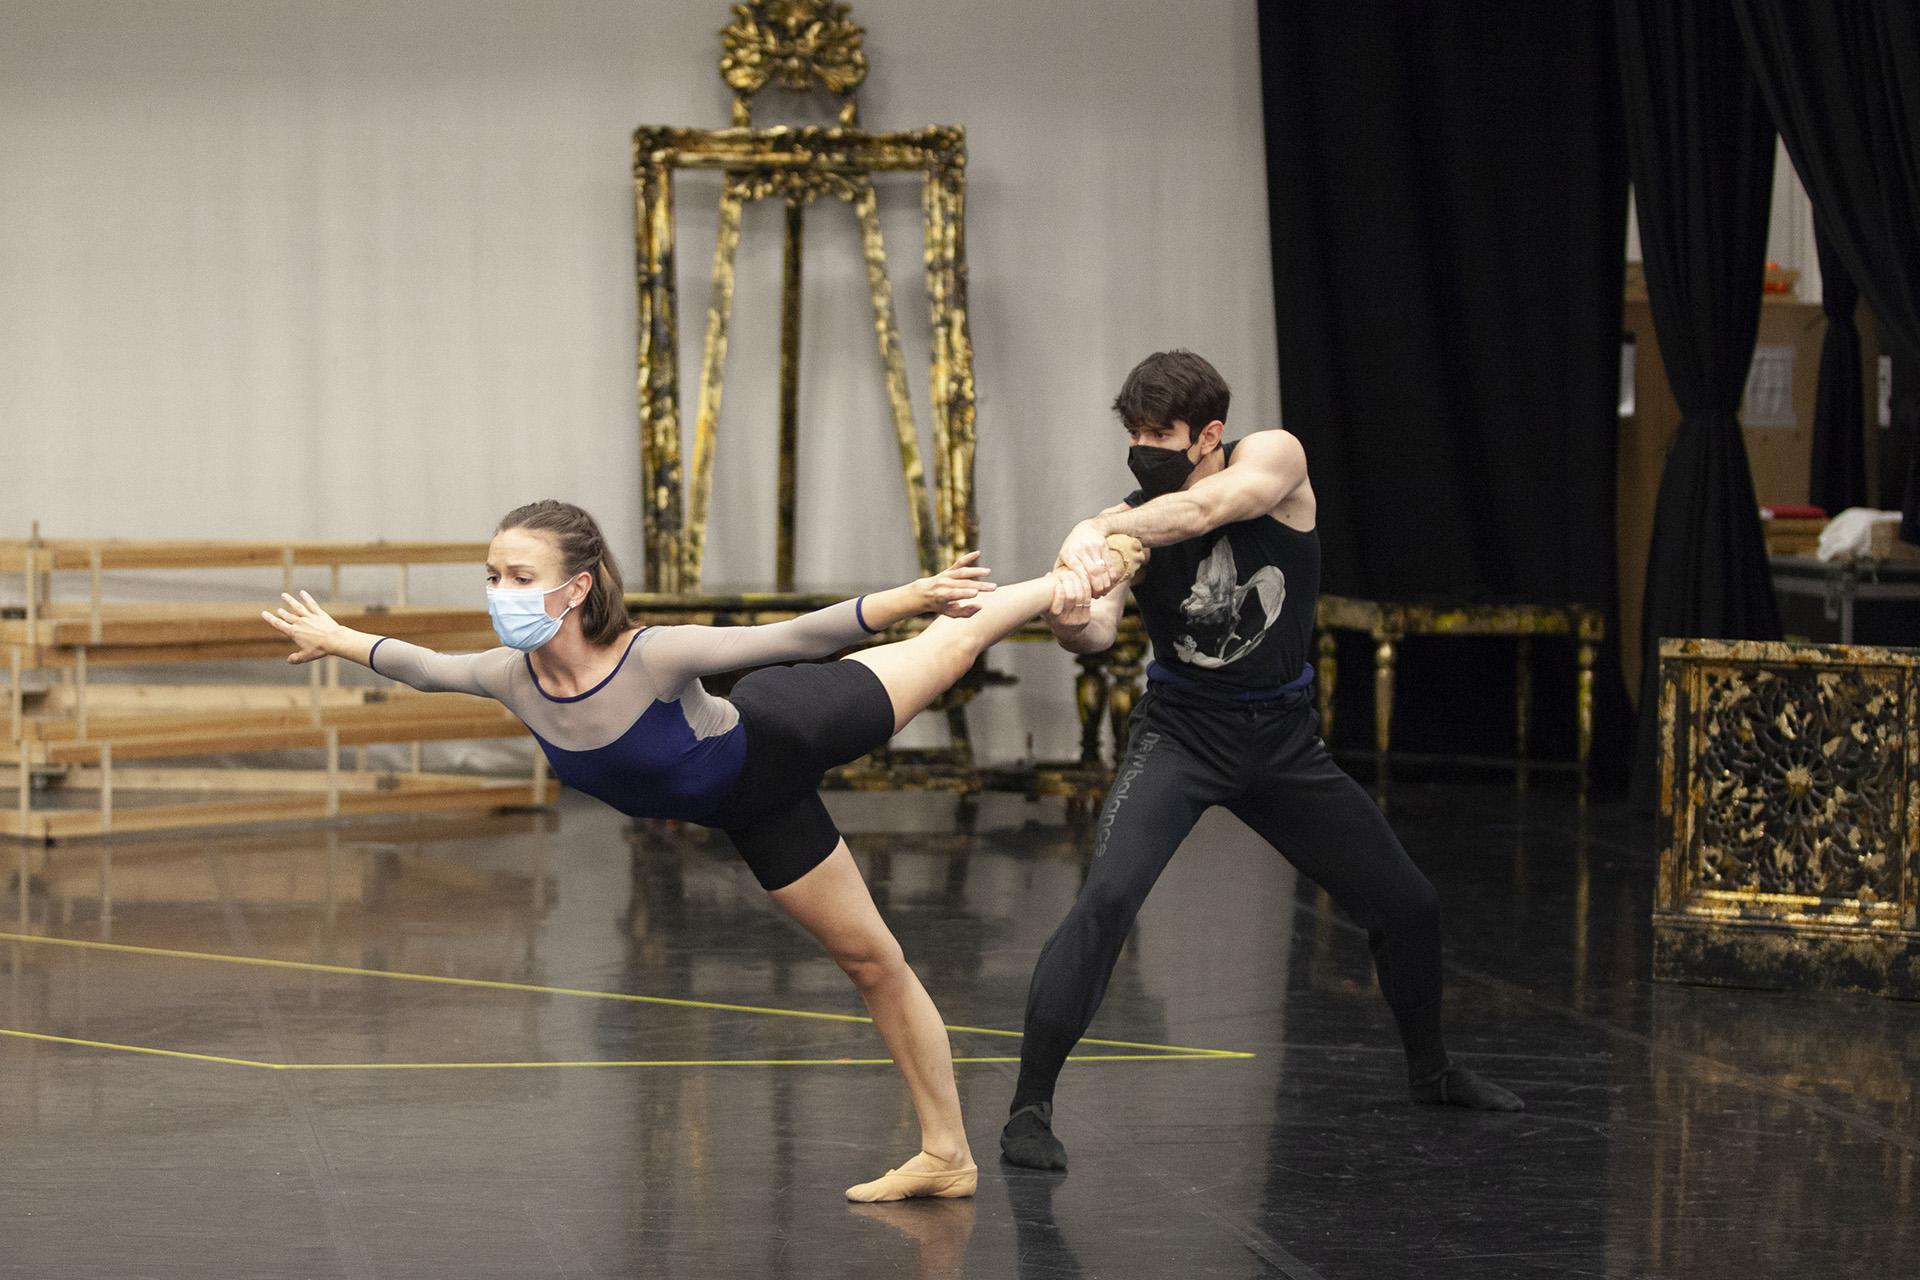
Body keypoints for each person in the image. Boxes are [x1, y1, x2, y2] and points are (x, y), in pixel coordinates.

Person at [261, 499, 1144, 1202]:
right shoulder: (510, 678)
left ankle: (1065, 582)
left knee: (952, 641)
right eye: (492, 575)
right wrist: (339, 640)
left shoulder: (650, 657)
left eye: (520, 576)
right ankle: (946, 1156)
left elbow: (790, 639)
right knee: (876, 964)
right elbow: (421, 665)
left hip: (789, 728)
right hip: (754, 813)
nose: (501, 591)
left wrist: (902, 600)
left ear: (576, 587)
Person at [1001, 351, 1523, 1173]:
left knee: (1408, 903)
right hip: (1181, 734)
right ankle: (1028, 1110)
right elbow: (1097, 631)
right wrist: (1073, 608)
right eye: (1133, 433)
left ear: (1209, 433)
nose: (1144, 448)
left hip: (1282, 742)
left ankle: (1434, 1072)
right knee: (1105, 901)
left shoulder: (1273, 459)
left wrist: (1097, 530)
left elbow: (1212, 507)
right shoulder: (1124, 523)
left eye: (1160, 434)